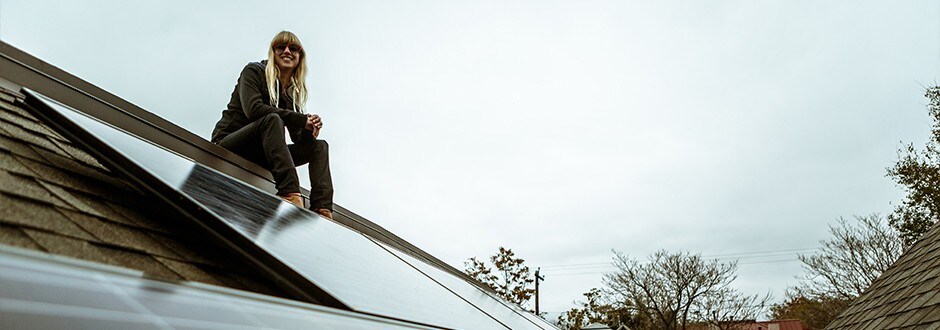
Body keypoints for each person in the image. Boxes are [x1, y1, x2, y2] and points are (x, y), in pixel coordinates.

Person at [211, 31, 333, 219]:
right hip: (229, 144)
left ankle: (322, 208)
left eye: (293, 48)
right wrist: (301, 119)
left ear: (300, 57)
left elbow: (298, 139)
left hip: (263, 154)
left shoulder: (291, 94)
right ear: (272, 52)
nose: (287, 51)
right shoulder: (254, 71)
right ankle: (290, 192)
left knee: (319, 147)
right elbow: (254, 110)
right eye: (280, 47)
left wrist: (309, 129)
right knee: (272, 120)